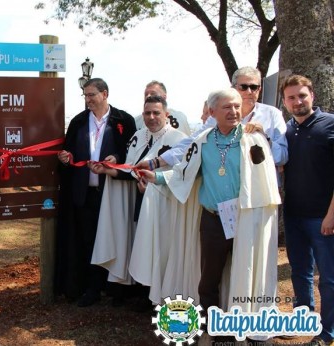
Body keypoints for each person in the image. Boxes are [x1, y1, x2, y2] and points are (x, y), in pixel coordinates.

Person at [139, 88, 281, 343]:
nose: (234, 111)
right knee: (209, 280)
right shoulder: (202, 141)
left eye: (237, 106)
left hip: (246, 221)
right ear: (212, 111)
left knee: (247, 272)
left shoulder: (253, 139)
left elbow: (265, 181)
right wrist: (156, 177)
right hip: (214, 220)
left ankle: (250, 328)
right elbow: (185, 173)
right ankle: (218, 332)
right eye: (227, 107)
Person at [89, 95, 186, 307]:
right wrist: (108, 169)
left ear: (166, 114)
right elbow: (130, 170)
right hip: (140, 201)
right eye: (147, 113)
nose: (151, 117)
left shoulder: (178, 140)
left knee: (160, 250)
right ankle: (142, 293)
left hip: (165, 206)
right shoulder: (139, 136)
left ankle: (159, 297)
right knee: (142, 246)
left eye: (156, 113)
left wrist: (155, 184)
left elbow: (182, 176)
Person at [55, 78, 136, 307]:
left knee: (116, 238)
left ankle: (116, 288)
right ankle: (92, 288)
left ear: (105, 94)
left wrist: (117, 159)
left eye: (91, 95)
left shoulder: (124, 120)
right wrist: (65, 158)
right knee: (89, 240)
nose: (88, 100)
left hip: (114, 193)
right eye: (85, 95)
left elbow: (132, 152)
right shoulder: (79, 122)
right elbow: (69, 152)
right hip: (86, 193)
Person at [281, 74, 334, 346]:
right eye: (291, 97)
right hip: (294, 216)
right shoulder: (288, 130)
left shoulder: (330, 124)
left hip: (324, 218)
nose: (297, 101)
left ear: (312, 95)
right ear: (285, 101)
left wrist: (331, 215)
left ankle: (327, 333)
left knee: (328, 278)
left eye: (302, 95)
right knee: (300, 271)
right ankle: (303, 318)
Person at [156, 67, 288, 169]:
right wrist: (157, 162)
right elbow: (193, 143)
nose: (249, 91)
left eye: (254, 87)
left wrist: (265, 139)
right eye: (244, 87)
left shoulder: (273, 114)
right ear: (234, 88)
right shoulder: (218, 117)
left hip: (260, 193)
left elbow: (282, 156)